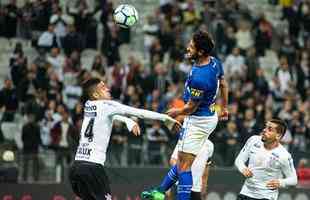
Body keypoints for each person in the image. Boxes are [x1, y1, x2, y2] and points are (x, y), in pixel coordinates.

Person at [142, 30, 228, 200]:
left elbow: (191, 108)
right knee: (184, 160)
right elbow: (224, 84)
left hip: (196, 120)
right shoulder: (214, 62)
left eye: (191, 46)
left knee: (184, 166)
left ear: (201, 52)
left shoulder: (200, 76)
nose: (188, 48)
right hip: (209, 117)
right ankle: (160, 191)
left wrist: (177, 111)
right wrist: (224, 107)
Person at [68, 78, 180, 200]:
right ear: (95, 94)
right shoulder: (108, 105)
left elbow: (110, 116)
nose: (108, 89)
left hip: (76, 167)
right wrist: (165, 118)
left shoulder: (88, 105)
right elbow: (138, 112)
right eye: (103, 87)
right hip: (92, 168)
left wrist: (127, 121)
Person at [234, 118, 298, 200]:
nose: (264, 130)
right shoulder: (253, 140)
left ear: (278, 136)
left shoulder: (284, 155)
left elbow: (293, 179)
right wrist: (243, 168)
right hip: (245, 193)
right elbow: (239, 160)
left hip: (266, 197)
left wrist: (281, 182)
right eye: (265, 127)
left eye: (269, 129)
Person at [142, 139, 214, 200]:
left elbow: (206, 167)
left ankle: (160, 190)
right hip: (179, 186)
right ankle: (160, 190)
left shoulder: (209, 145)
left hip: (196, 188)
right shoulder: (185, 139)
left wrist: (204, 185)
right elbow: (173, 160)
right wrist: (183, 172)